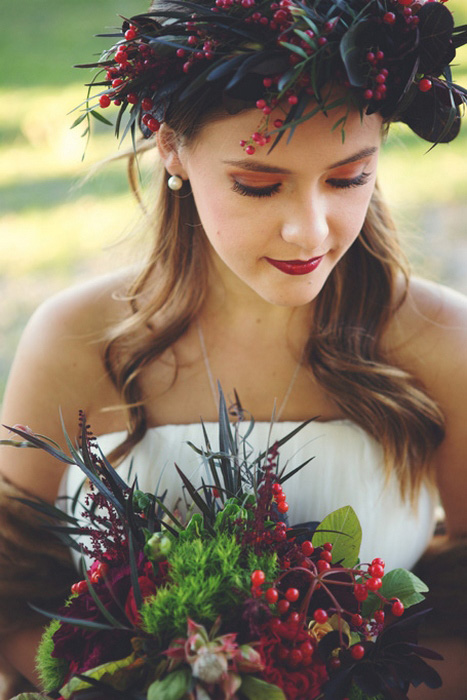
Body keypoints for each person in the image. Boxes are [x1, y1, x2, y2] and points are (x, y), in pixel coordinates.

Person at [0, 0, 466, 697]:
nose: (309, 233)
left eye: (348, 178)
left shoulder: (438, 339)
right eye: (257, 185)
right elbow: (10, 589)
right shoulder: (75, 337)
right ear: (170, 150)